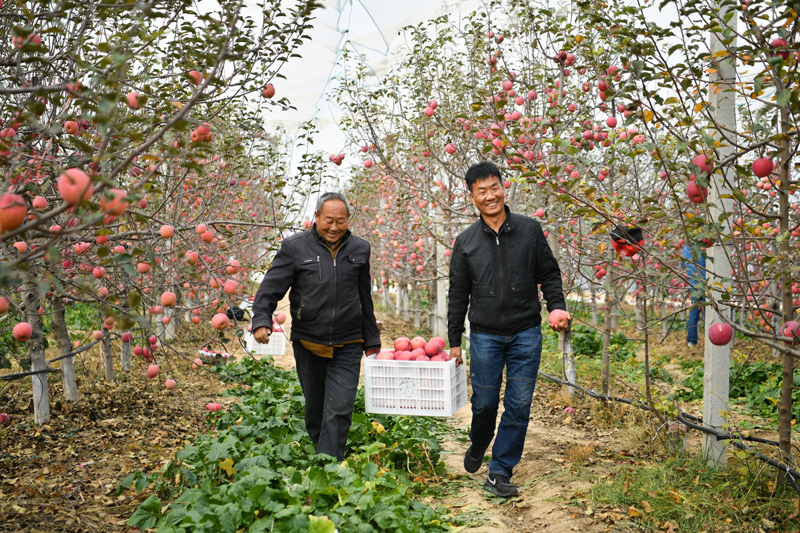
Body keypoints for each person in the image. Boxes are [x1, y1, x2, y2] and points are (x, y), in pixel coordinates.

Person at [447, 161, 570, 498]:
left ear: (504, 188)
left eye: (494, 188)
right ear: (472, 197)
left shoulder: (530, 230)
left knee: (518, 405)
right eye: (481, 191)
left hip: (525, 332)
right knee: (485, 404)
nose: (490, 196)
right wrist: (453, 338)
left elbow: (550, 273)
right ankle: (479, 441)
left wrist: (556, 305)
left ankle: (499, 470)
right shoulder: (466, 242)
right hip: (485, 335)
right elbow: (458, 293)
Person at [251, 192, 381, 460]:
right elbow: (271, 287)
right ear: (316, 217)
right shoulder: (294, 247)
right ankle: (324, 449)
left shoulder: (360, 248)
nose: (334, 227)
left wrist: (371, 340)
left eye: (341, 221)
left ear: (348, 220)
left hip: (349, 340)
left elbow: (364, 296)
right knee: (315, 407)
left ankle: (328, 467)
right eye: (329, 220)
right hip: (309, 340)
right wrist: (261, 318)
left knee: (340, 407)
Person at [682, 243, 706, 347]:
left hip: (694, 285)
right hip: (707, 285)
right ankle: (711, 340)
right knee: (710, 312)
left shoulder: (687, 248)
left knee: (694, 311)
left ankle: (691, 341)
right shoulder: (705, 246)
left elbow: (683, 264)